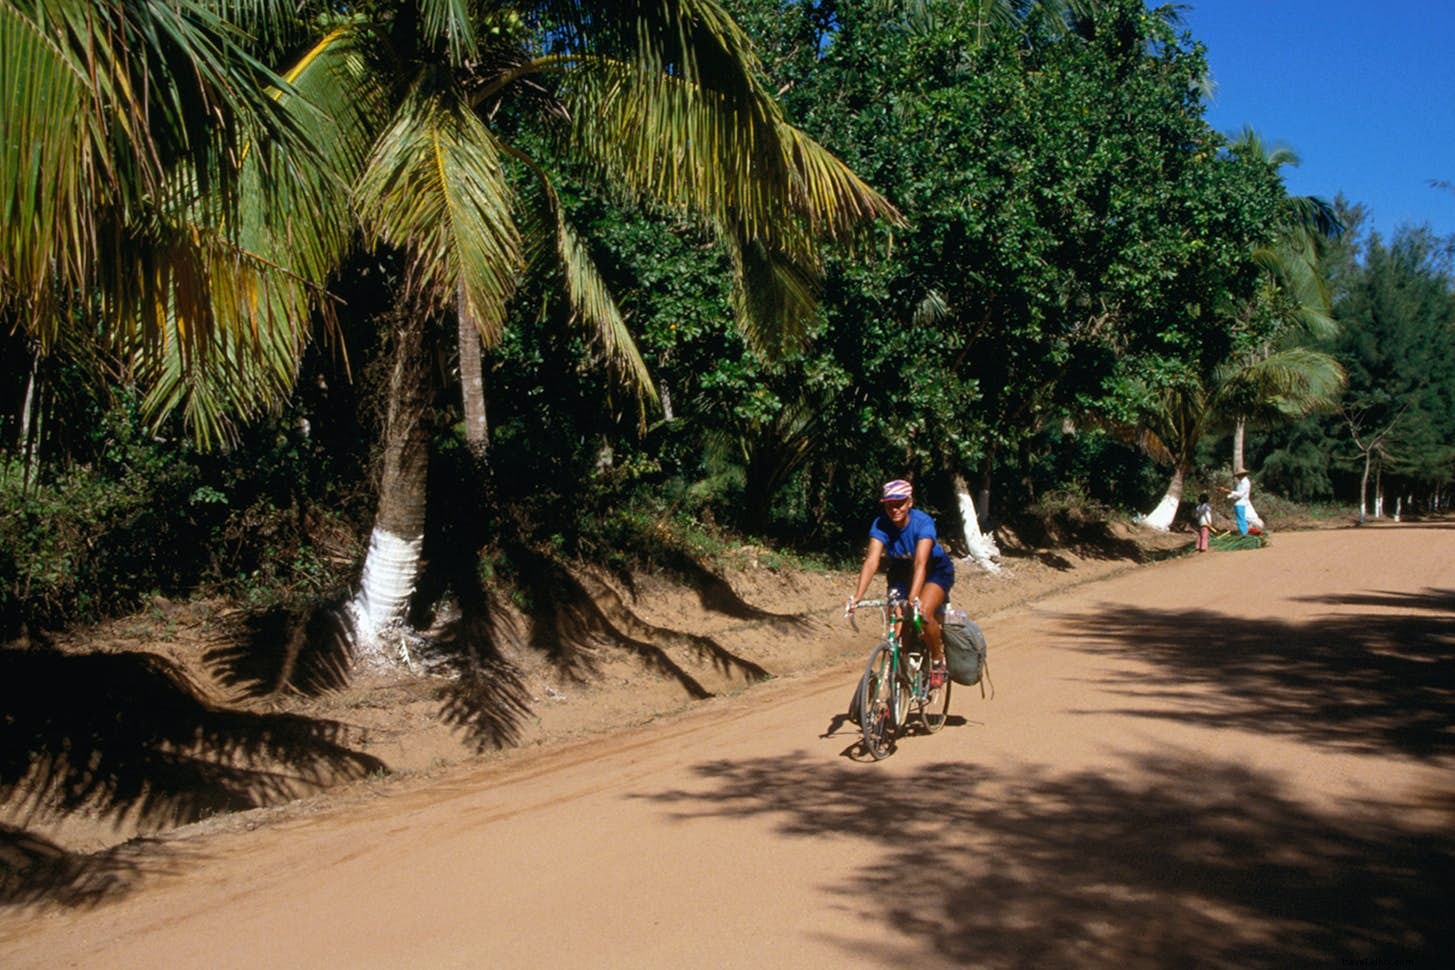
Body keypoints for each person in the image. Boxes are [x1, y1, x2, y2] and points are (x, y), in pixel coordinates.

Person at [846, 479, 956, 690]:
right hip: (900, 571)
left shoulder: (922, 523)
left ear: (910, 503)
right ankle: (899, 685)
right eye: (889, 505)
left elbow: (921, 562)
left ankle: (937, 660)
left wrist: (914, 597)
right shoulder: (880, 524)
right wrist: (857, 596)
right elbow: (871, 560)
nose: (894, 509)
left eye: (900, 503)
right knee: (897, 627)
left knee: (922, 613)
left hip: (934, 570)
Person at [1223, 468, 1252, 536]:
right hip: (1239, 503)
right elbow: (1237, 494)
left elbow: (1240, 494)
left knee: (1241, 520)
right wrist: (1228, 495)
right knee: (1240, 520)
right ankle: (1243, 532)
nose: (1237, 477)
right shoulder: (1241, 483)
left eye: (1238, 476)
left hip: (1241, 503)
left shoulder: (1245, 483)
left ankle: (1244, 533)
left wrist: (1229, 491)